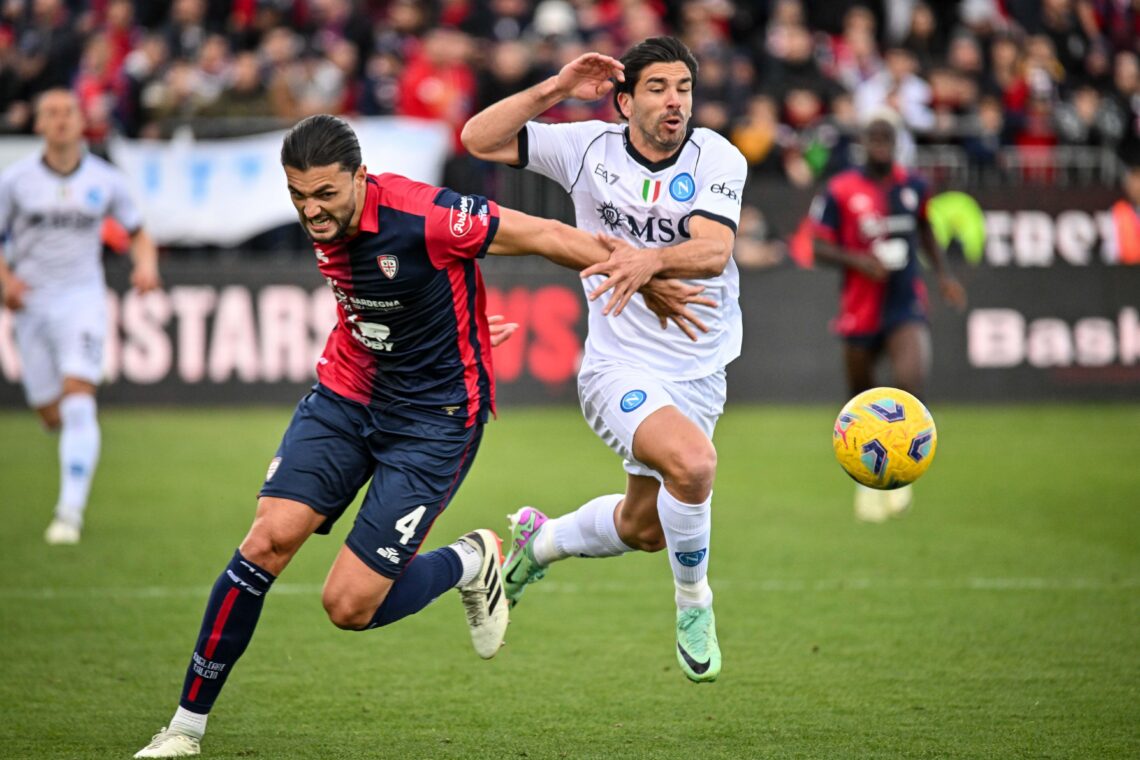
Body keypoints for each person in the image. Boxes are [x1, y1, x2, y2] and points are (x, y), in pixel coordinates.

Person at [134, 113, 710, 758]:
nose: (311, 210)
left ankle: (471, 559)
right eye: (298, 195)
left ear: (360, 177)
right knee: (265, 543)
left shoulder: (426, 213)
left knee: (348, 606)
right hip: (346, 395)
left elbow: (545, 232)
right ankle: (185, 728)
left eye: (326, 194)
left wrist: (645, 275)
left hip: (433, 422)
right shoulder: (322, 215)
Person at [462, 36, 748, 683]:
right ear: (623, 101)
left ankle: (541, 542)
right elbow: (479, 138)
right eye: (657, 88)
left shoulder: (715, 157)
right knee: (695, 464)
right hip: (617, 367)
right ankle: (694, 604)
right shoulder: (587, 147)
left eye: (684, 88)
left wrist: (648, 261)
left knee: (645, 527)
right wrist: (556, 88)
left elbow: (712, 251)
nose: (674, 101)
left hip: (700, 370)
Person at [0, 88, 160, 545]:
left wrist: (145, 266)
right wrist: (6, 283)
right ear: (38, 125)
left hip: (82, 299)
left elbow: (137, 231)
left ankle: (68, 512)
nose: (62, 120)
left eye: (68, 111)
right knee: (51, 413)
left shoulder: (105, 179)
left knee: (77, 399)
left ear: (80, 119)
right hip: (31, 303)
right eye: (51, 113)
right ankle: (77, 388)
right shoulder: (15, 182)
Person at [809, 112, 967, 522]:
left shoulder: (914, 185)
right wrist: (858, 261)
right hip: (859, 306)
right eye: (874, 137)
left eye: (887, 138)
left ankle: (904, 471)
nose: (880, 144)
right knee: (859, 403)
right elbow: (818, 247)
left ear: (896, 143)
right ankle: (865, 484)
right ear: (864, 143)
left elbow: (926, 230)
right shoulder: (841, 189)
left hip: (905, 301)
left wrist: (945, 276)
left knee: (911, 382)